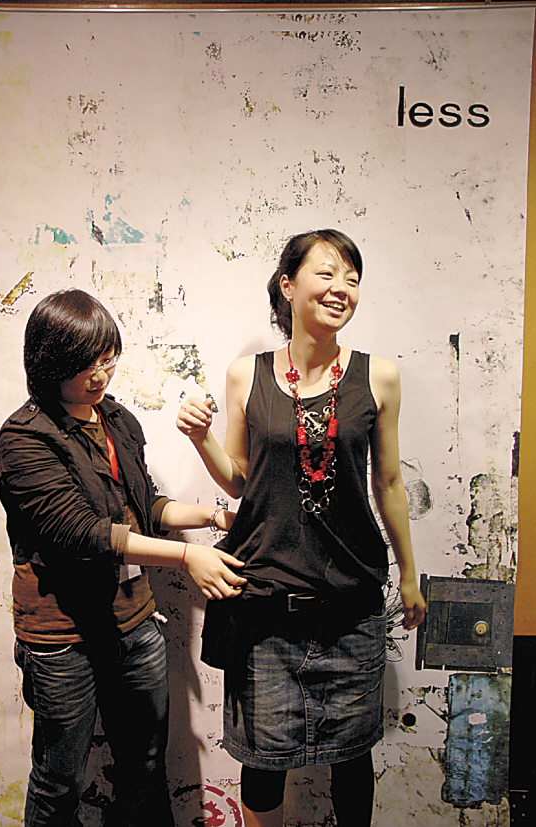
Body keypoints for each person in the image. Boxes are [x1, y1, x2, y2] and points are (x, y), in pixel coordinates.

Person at [176, 229, 426, 827]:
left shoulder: (379, 376)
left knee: (352, 758)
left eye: (353, 279)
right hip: (266, 605)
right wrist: (201, 438)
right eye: (328, 273)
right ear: (288, 286)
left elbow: (389, 483)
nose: (342, 289)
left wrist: (410, 575)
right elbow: (240, 481)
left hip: (352, 604)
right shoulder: (247, 375)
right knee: (263, 761)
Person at [0, 288, 246, 827]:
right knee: (59, 782)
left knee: (146, 769)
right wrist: (185, 558)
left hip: (133, 622)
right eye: (85, 363)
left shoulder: (117, 420)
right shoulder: (23, 439)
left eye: (107, 359)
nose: (100, 374)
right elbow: (84, 533)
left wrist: (213, 517)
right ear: (50, 363)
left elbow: (143, 505)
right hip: (62, 637)